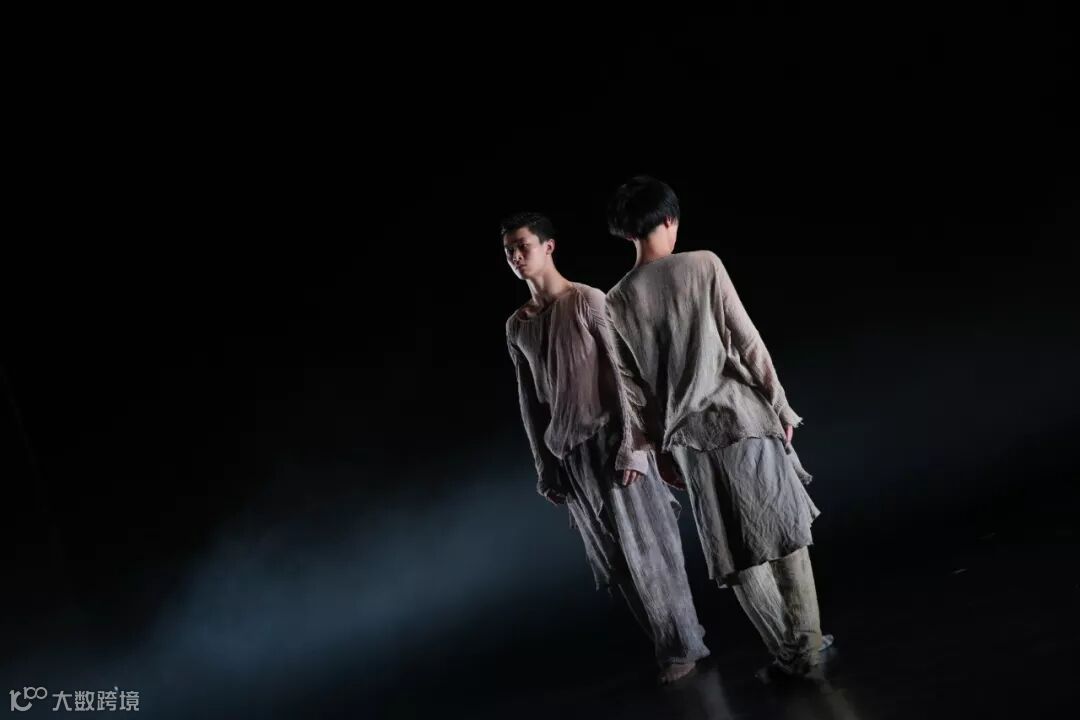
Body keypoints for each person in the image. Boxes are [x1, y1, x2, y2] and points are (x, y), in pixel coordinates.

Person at [603, 177, 829, 679]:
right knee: (785, 534)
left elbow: (632, 391)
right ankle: (807, 648)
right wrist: (780, 405)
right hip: (742, 418)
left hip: (689, 443)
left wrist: (658, 451)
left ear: (628, 233)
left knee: (736, 552)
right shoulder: (703, 264)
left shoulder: (615, 301)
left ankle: (788, 654)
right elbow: (747, 341)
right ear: (669, 219)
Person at [502, 211, 709, 684]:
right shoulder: (517, 326)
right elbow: (530, 401)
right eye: (508, 251)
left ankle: (682, 647)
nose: (515, 257)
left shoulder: (586, 300)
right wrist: (545, 467)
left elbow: (623, 374)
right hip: (570, 453)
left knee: (650, 549)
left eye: (522, 246)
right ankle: (672, 642)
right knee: (616, 561)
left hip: (613, 441)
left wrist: (635, 447)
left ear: (548, 246)